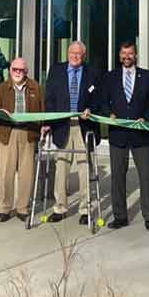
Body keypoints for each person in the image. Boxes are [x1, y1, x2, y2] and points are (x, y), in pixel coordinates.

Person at [42, 41, 102, 224]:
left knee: (84, 168)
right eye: (72, 53)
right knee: (62, 167)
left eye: (79, 54)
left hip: (84, 126)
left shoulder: (93, 72)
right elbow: (49, 98)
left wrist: (91, 109)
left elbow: (99, 98)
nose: (75, 56)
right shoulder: (56, 70)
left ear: (84, 56)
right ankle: (60, 208)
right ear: (67, 54)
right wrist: (48, 122)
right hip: (62, 126)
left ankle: (85, 209)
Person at [102, 40, 149, 231]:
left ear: (135, 55)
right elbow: (102, 101)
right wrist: (108, 113)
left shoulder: (147, 76)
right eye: (123, 53)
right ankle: (120, 216)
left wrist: (147, 117)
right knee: (117, 177)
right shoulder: (110, 77)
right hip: (118, 134)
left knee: (147, 176)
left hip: (141, 135)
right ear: (119, 55)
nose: (126, 57)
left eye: (130, 53)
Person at [0, 57, 43, 222]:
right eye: (15, 69)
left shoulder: (36, 87)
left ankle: (22, 208)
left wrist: (44, 127)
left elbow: (43, 110)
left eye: (21, 70)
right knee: (6, 173)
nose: (18, 73)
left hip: (28, 133)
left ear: (26, 72)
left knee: (26, 174)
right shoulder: (1, 89)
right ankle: (4, 208)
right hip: (8, 133)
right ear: (10, 70)